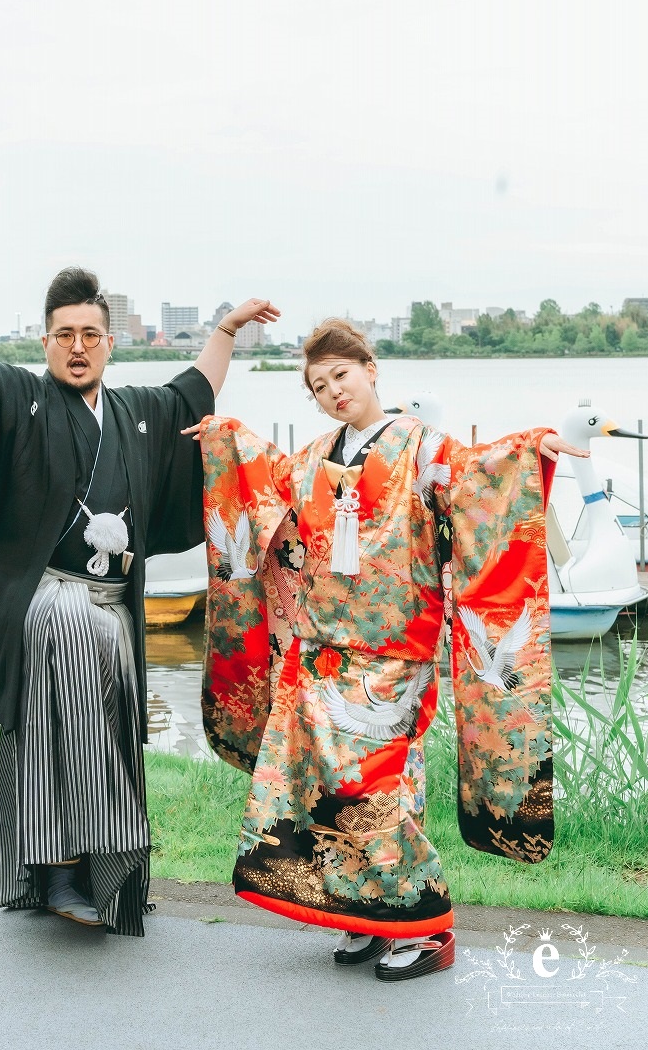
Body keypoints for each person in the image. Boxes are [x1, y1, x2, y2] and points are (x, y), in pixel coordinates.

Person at [0, 248, 278, 936]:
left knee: (106, 739)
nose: (77, 347)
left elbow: (193, 392)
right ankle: (65, 870)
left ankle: (92, 872)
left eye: (89, 335)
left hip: (113, 610)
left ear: (109, 343)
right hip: (53, 603)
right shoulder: (18, 398)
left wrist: (225, 332)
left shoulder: (137, 412)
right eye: (63, 335)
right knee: (57, 738)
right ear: (46, 342)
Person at [189, 318, 587, 980]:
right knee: (325, 787)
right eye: (318, 386)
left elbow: (477, 477)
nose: (332, 391)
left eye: (340, 375)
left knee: (382, 788)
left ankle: (425, 924)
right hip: (320, 653)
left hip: (395, 650)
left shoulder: (422, 448)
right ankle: (364, 915)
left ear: (370, 369)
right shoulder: (316, 457)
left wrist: (530, 448)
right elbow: (267, 484)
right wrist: (225, 437)